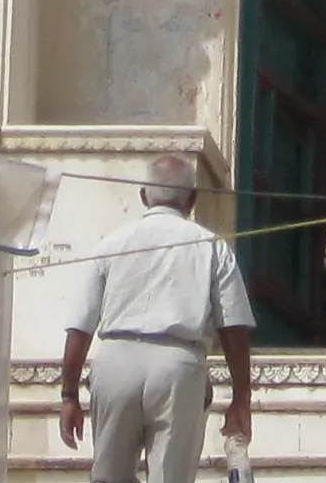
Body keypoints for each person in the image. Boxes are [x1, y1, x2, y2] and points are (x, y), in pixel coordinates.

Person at [57, 153, 255, 483]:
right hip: (177, 366)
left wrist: (68, 396)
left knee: (108, 477)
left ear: (143, 196)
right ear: (192, 199)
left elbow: (80, 326)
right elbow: (233, 327)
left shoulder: (112, 244)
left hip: (115, 361)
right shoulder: (211, 247)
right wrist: (241, 399)